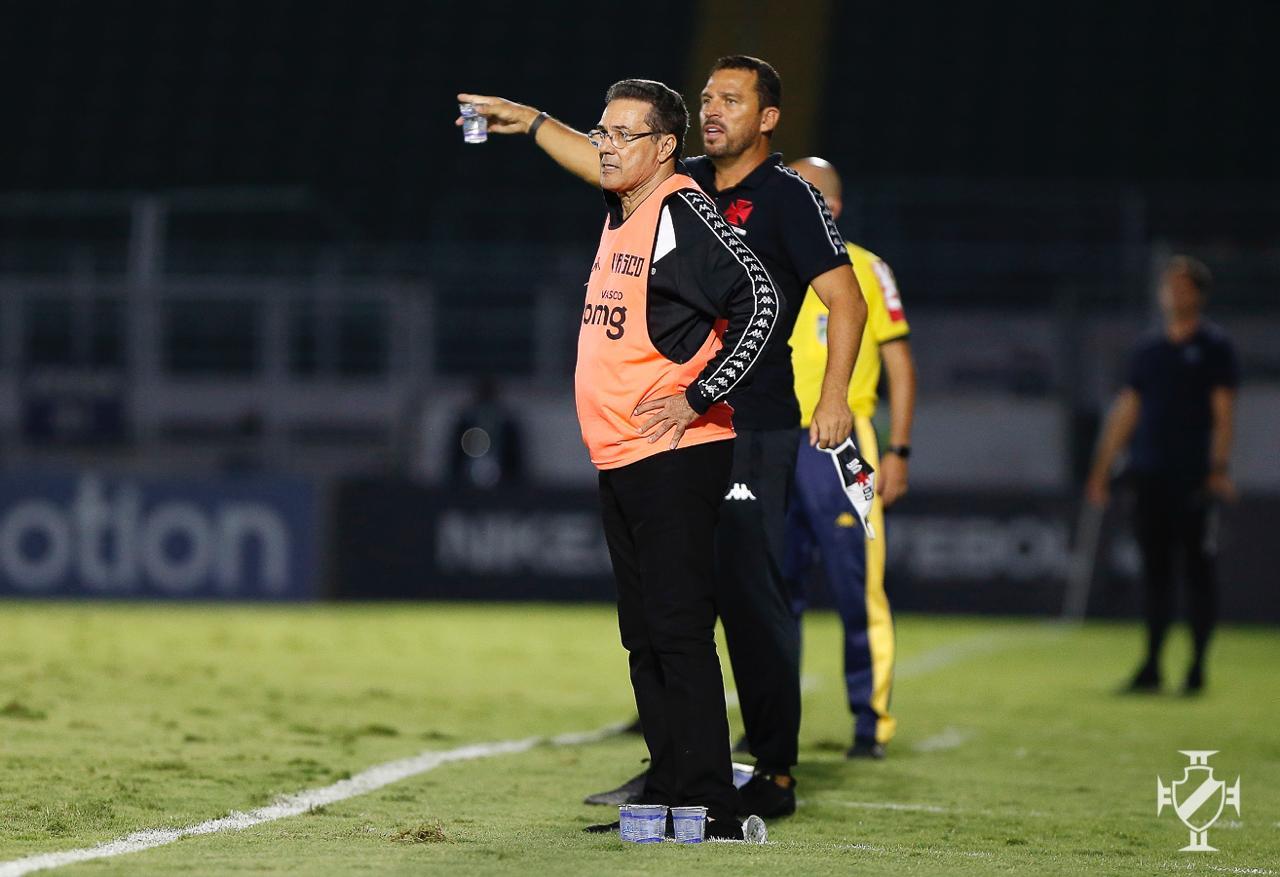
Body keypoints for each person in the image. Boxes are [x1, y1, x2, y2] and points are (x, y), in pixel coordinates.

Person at [458, 55, 867, 819]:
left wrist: (828, 395)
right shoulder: (667, 188)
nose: (715, 109)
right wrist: (535, 121)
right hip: (658, 436)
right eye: (707, 96)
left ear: (768, 117)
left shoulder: (777, 198)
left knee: (739, 602)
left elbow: (820, 300)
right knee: (662, 619)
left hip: (750, 422)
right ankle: (676, 774)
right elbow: (604, 157)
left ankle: (765, 769)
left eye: (732, 99)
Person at [556, 77, 775, 839]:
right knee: (644, 631)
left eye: (622, 135)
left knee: (678, 628)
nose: (605, 146)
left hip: (677, 453)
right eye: (601, 131)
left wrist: (697, 394)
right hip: (621, 455)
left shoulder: (679, 208)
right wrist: (532, 125)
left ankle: (712, 801)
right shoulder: (622, 209)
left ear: (663, 149)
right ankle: (669, 787)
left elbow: (761, 298)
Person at [782, 157, 916, 759]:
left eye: (804, 193)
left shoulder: (865, 267)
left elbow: (900, 366)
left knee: (856, 586)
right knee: (769, 591)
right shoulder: (762, 261)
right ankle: (769, 719)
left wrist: (897, 449)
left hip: (843, 447)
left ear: (830, 208)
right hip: (774, 441)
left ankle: (870, 722)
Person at [1085, 255, 1239, 694]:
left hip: (1193, 478)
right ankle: (1151, 665)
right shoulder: (1148, 351)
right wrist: (1101, 469)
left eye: (1182, 286)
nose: (1173, 293)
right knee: (1155, 572)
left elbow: (1224, 414)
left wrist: (1218, 469)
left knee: (1197, 571)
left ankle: (1196, 667)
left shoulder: (1214, 347)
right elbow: (1126, 411)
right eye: (1168, 286)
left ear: (1199, 295)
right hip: (1148, 475)